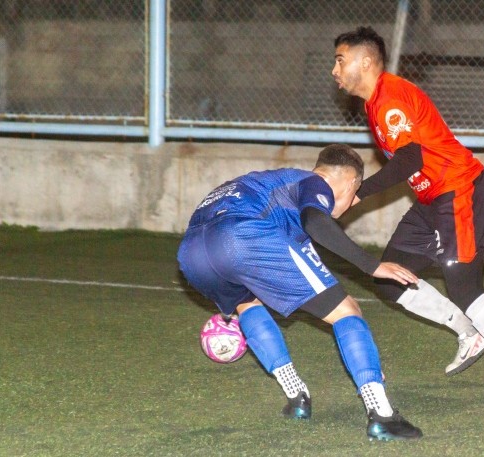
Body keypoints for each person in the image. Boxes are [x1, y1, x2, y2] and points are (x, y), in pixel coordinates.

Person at [331, 26, 484, 395]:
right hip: (433, 198)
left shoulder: (390, 97)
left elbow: (408, 160)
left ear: (365, 61)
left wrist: (358, 193)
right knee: (389, 279)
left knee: (464, 285)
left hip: (457, 189)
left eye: (340, 60)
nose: (334, 70)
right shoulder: (375, 103)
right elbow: (414, 162)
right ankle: (469, 332)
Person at [177, 144, 423, 440]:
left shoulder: (269, 184)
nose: (348, 206)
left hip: (192, 253)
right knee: (347, 311)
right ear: (350, 181)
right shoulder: (313, 182)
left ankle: (297, 398)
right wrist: (372, 266)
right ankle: (381, 414)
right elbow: (316, 222)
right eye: (353, 195)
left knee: (247, 305)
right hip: (244, 235)